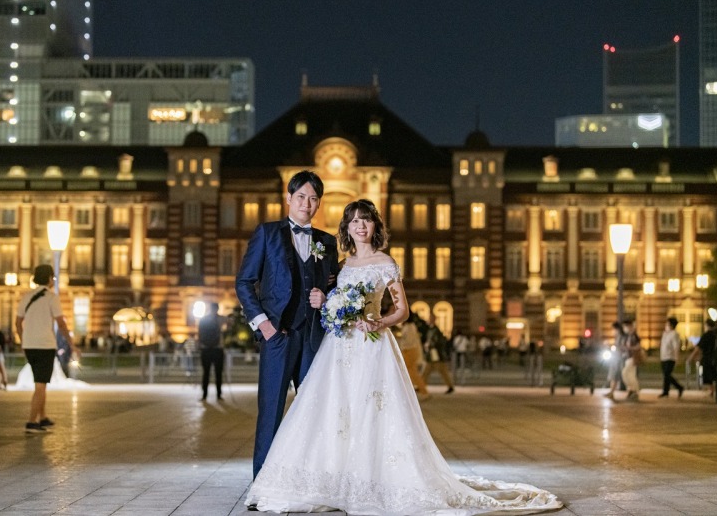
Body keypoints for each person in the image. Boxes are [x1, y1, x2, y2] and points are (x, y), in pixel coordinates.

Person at [245, 199, 561, 513]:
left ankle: (373, 476)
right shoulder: (342, 265)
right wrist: (327, 306)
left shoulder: (386, 263)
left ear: (374, 226)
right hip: (338, 346)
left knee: (373, 408)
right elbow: (329, 298)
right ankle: (336, 475)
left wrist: (379, 321)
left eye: (366, 220)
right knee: (336, 409)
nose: (360, 226)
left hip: (372, 345)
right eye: (354, 221)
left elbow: (402, 310)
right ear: (347, 228)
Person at [235, 170, 340, 482]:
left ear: (319, 203)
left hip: (313, 338)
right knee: (271, 412)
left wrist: (328, 296)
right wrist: (263, 324)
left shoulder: (327, 242)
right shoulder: (267, 234)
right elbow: (244, 282)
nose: (306, 204)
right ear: (289, 199)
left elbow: (335, 286)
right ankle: (262, 484)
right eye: (301, 197)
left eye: (313, 198)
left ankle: (307, 480)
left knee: (312, 411)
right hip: (277, 336)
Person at [15, 264, 73, 434]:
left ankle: (43, 417)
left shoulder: (26, 297)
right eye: (53, 277)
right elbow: (61, 323)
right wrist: (72, 344)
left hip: (30, 346)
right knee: (40, 385)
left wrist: (23, 340)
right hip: (45, 345)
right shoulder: (51, 297)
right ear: (49, 278)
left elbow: (18, 323)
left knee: (41, 382)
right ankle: (31, 422)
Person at [396, 313, 429, 399]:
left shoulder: (410, 326)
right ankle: (421, 391)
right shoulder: (408, 326)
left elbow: (408, 341)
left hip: (410, 351)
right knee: (411, 371)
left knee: (410, 372)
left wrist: (400, 337)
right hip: (409, 350)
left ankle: (422, 391)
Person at [198, 302, 225, 401]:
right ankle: (218, 394)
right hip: (217, 349)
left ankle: (205, 395)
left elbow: (199, 334)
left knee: (206, 373)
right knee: (218, 373)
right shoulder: (220, 319)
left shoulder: (203, 319)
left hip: (206, 349)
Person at [422, 315, 455, 393]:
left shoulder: (435, 330)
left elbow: (436, 341)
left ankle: (450, 386)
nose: (428, 320)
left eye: (430, 319)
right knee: (426, 371)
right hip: (432, 355)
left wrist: (429, 345)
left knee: (442, 370)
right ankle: (421, 386)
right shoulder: (432, 329)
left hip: (436, 354)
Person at [687, 318, 717, 397]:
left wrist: (691, 357)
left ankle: (712, 390)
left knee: (708, 375)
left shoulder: (706, 335)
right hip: (716, 357)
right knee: (715, 375)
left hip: (707, 358)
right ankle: (716, 390)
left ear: (707, 325)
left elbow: (698, 348)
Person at [658, 316, 684, 399]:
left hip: (670, 358)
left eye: (668, 324)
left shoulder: (674, 334)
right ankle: (670, 390)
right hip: (664, 357)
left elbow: (676, 347)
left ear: (672, 325)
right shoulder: (665, 333)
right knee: (666, 375)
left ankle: (670, 390)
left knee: (667, 374)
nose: (666, 325)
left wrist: (677, 358)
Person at [620, 319, 643, 401]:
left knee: (625, 373)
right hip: (627, 358)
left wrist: (629, 348)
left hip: (632, 357)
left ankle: (635, 390)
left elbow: (639, 346)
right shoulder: (627, 336)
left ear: (629, 326)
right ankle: (632, 390)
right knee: (631, 375)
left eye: (625, 327)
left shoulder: (634, 336)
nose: (624, 329)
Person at [604, 321, 626, 400]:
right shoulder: (618, 336)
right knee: (613, 376)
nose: (612, 331)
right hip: (616, 358)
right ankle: (611, 392)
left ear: (616, 329)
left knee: (614, 376)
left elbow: (619, 347)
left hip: (617, 359)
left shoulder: (620, 336)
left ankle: (612, 392)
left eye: (613, 329)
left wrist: (610, 346)